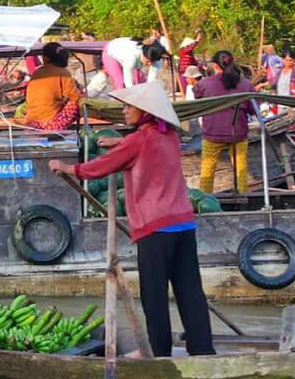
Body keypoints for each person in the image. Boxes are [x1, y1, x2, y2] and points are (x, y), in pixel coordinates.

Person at [49, 82, 215, 358]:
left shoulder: (140, 141)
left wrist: (69, 168)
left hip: (156, 228)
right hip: (184, 225)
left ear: (145, 111)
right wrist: (121, 142)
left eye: (129, 107)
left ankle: (158, 353)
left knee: (154, 295)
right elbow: (140, 147)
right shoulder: (169, 135)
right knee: (190, 292)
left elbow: (103, 166)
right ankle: (203, 350)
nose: (125, 111)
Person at [195, 51, 258, 194]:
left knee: (207, 171)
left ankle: (204, 201)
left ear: (215, 66)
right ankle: (243, 200)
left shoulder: (204, 84)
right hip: (238, 134)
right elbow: (253, 110)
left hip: (212, 133)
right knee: (240, 170)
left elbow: (196, 96)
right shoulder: (246, 84)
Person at [24, 42, 83, 130]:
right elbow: (75, 97)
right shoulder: (63, 72)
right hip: (49, 123)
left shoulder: (36, 72)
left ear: (45, 58)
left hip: (31, 122)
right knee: (76, 103)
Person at [100, 36, 170, 91]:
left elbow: (151, 81)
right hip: (110, 53)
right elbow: (128, 82)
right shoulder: (131, 56)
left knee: (140, 82)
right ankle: (121, 105)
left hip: (129, 58)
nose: (149, 64)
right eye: (148, 61)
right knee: (120, 83)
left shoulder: (157, 60)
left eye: (152, 62)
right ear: (143, 53)